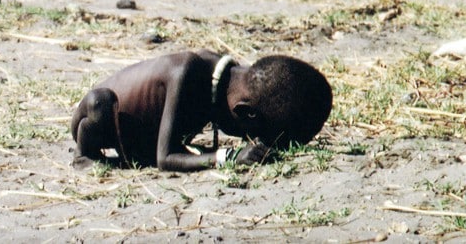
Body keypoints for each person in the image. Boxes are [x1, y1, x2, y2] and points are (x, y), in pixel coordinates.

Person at [70, 50, 332, 172]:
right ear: (245, 113)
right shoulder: (188, 73)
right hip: (99, 119)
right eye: (252, 134)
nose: (248, 140)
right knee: (99, 104)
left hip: (139, 136)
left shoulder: (226, 80)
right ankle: (84, 157)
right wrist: (228, 157)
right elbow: (166, 158)